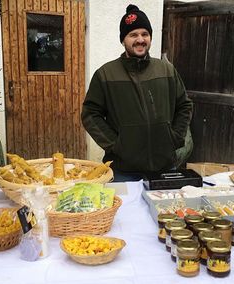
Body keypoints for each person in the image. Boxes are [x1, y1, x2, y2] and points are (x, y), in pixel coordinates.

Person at [81, 4, 193, 182]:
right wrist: (116, 145)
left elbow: (184, 105)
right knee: (124, 210)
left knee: (164, 210)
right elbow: (90, 114)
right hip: (123, 170)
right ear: (123, 39)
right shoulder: (105, 74)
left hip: (164, 166)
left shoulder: (166, 70)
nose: (140, 39)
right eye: (133, 35)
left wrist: (175, 137)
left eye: (145, 34)